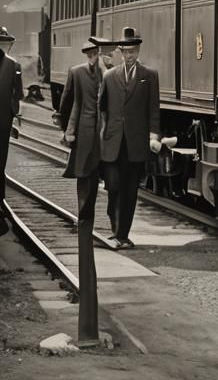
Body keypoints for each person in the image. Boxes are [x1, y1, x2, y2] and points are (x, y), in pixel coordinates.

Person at [98, 27, 161, 249]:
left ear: (138, 51)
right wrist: (102, 135)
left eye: (132, 51)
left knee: (130, 190)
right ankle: (115, 229)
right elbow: (102, 108)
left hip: (135, 143)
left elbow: (154, 109)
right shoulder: (109, 76)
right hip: (112, 142)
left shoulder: (149, 76)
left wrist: (153, 136)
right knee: (113, 187)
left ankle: (122, 234)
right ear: (120, 52)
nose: (129, 55)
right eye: (125, 52)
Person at [60, 40, 108, 232]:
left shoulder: (111, 73)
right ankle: (84, 220)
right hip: (85, 134)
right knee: (86, 179)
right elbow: (69, 103)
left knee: (109, 180)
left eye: (96, 53)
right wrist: (68, 131)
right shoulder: (77, 72)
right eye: (91, 54)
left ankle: (115, 228)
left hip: (106, 134)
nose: (93, 57)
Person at [0, 26, 24, 237]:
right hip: (3, 121)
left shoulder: (14, 66)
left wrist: (13, 112)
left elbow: (18, 94)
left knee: (0, 163)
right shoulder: (12, 65)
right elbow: (17, 95)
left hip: (3, 123)